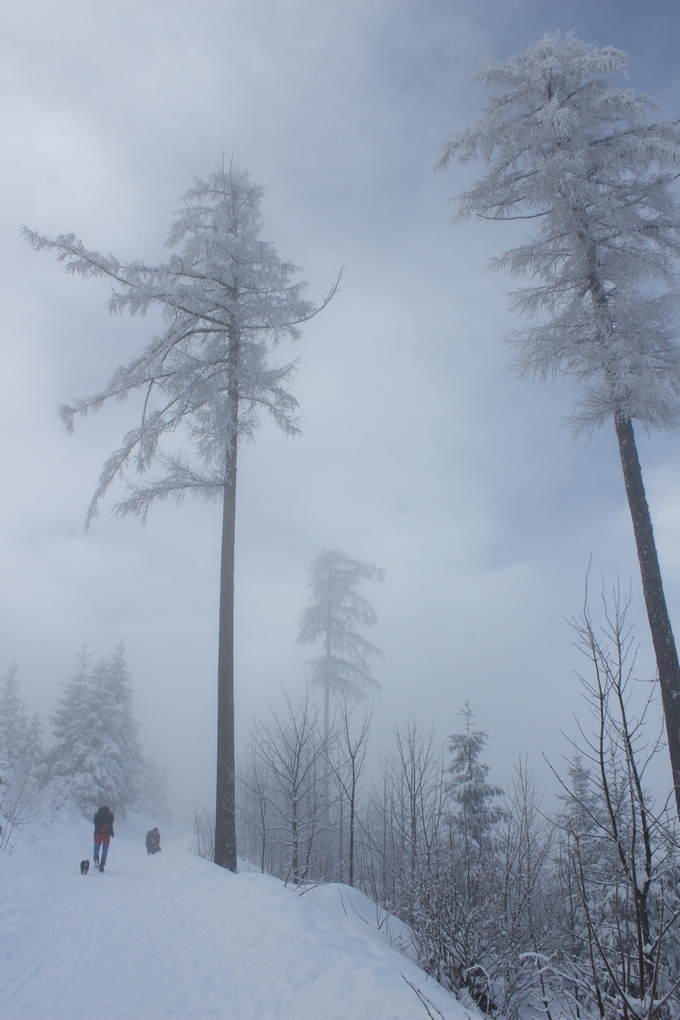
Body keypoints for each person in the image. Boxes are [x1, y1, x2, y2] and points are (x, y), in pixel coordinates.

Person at [93, 805, 114, 871]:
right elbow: (111, 823)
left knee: (96, 848)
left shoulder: (97, 815)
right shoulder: (110, 815)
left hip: (98, 834)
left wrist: (99, 828)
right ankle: (102, 864)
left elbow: (95, 823)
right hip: (106, 834)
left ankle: (96, 860)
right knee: (105, 850)